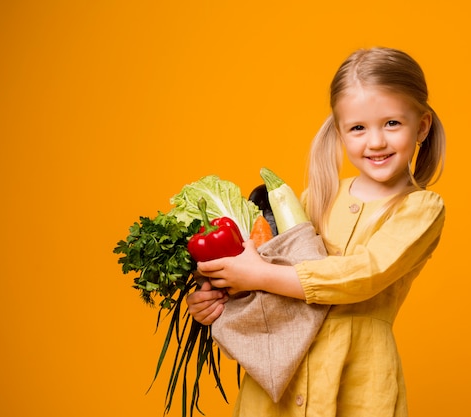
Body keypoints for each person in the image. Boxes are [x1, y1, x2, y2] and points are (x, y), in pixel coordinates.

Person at [187, 46, 446, 416]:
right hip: (280, 383)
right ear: (340, 131)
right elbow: (264, 285)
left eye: (392, 123)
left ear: (421, 126)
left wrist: (260, 274)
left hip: (359, 382)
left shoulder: (420, 209)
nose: (375, 142)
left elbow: (365, 273)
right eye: (358, 128)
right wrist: (218, 298)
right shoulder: (314, 199)